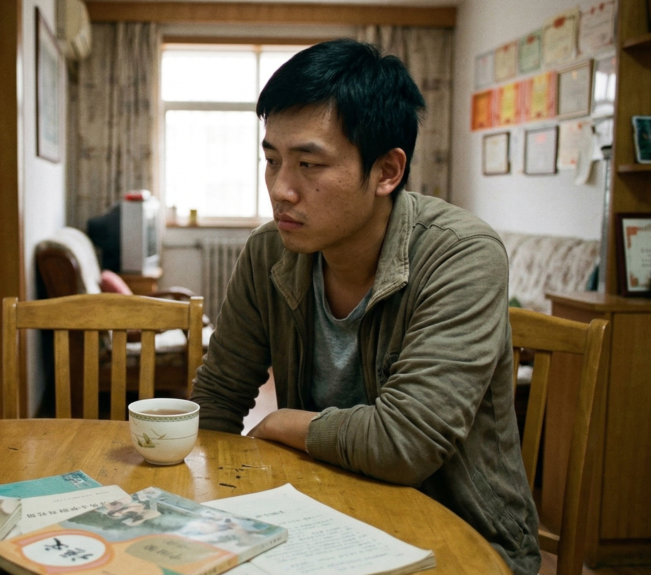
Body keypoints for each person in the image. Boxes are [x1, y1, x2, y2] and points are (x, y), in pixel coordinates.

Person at [188, 39, 539, 575]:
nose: (281, 189)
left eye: (309, 163)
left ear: (387, 171)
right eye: (272, 159)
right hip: (324, 516)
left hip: (460, 538)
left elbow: (407, 440)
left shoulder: (460, 254)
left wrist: (282, 422)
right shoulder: (269, 251)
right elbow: (219, 396)